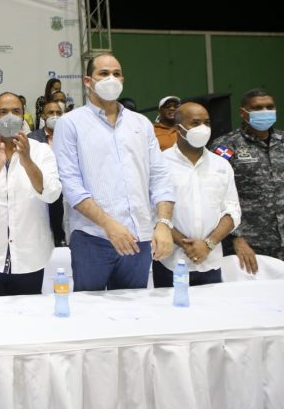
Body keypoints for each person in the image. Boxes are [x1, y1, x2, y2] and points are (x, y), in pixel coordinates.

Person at [53, 54, 175, 291]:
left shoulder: (141, 123)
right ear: (88, 81)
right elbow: (70, 185)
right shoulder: (70, 123)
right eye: (104, 73)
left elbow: (160, 177)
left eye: (116, 74)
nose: (111, 78)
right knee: (90, 308)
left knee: (133, 307)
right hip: (92, 237)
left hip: (139, 236)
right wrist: (109, 225)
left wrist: (163, 223)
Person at [0, 92, 62, 296]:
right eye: (3, 112)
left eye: (16, 111)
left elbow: (52, 194)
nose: (10, 117)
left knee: (27, 315)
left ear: (23, 117)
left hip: (30, 258)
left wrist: (28, 161)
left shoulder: (41, 151)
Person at [154, 103, 240, 287]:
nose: (203, 128)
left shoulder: (221, 165)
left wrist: (208, 244)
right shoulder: (160, 164)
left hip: (210, 261)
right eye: (195, 123)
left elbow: (233, 211)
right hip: (170, 262)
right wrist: (185, 244)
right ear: (178, 129)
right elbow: (152, 213)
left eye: (206, 123)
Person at [210, 88, 283, 270]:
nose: (265, 111)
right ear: (243, 113)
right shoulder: (226, 147)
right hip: (249, 245)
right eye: (257, 108)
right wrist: (236, 238)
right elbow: (215, 196)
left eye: (269, 107)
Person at [29, 100, 65, 246]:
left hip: (66, 183)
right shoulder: (32, 138)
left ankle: (62, 239)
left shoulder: (69, 136)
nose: (55, 116)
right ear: (43, 116)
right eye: (51, 113)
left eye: (58, 113)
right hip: (43, 184)